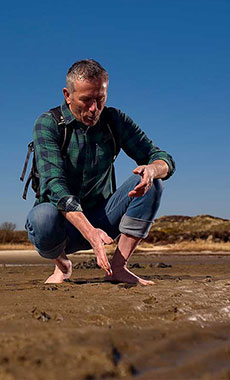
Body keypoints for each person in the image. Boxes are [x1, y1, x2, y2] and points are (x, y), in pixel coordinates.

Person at [25, 59, 175, 285]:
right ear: (68, 95)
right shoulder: (48, 124)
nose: (94, 109)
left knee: (152, 181)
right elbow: (54, 186)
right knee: (41, 217)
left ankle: (118, 268)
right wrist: (90, 233)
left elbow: (163, 159)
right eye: (86, 100)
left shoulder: (115, 120)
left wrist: (153, 169)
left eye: (100, 99)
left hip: (104, 218)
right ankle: (62, 266)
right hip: (62, 226)